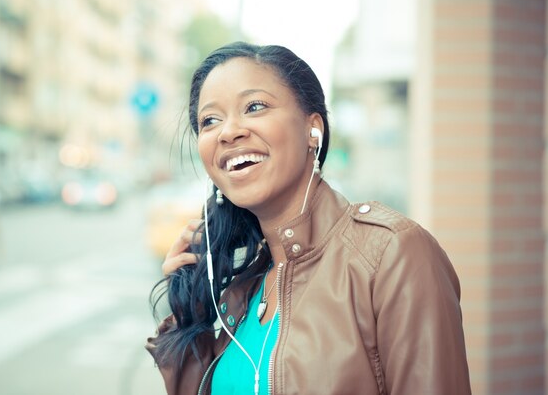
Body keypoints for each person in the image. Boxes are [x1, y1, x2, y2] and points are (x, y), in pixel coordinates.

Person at [146, 42, 471, 395]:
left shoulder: (391, 255)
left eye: (254, 107)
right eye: (210, 120)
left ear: (312, 129)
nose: (228, 132)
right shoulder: (240, 292)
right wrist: (188, 312)